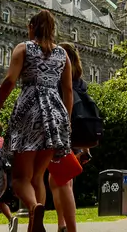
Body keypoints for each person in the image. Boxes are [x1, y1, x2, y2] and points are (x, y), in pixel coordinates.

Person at [0, 9, 73, 232]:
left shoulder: (23, 48)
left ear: (32, 27)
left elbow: (9, 82)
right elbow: (68, 90)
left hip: (29, 111)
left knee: (20, 178)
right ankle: (35, 224)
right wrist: (66, 122)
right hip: (55, 115)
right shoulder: (63, 54)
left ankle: (34, 207)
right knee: (38, 176)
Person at [49, 42, 89, 232]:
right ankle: (63, 224)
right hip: (75, 135)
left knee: (59, 180)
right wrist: (85, 148)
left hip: (62, 130)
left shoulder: (61, 79)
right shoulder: (80, 81)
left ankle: (64, 226)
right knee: (63, 180)